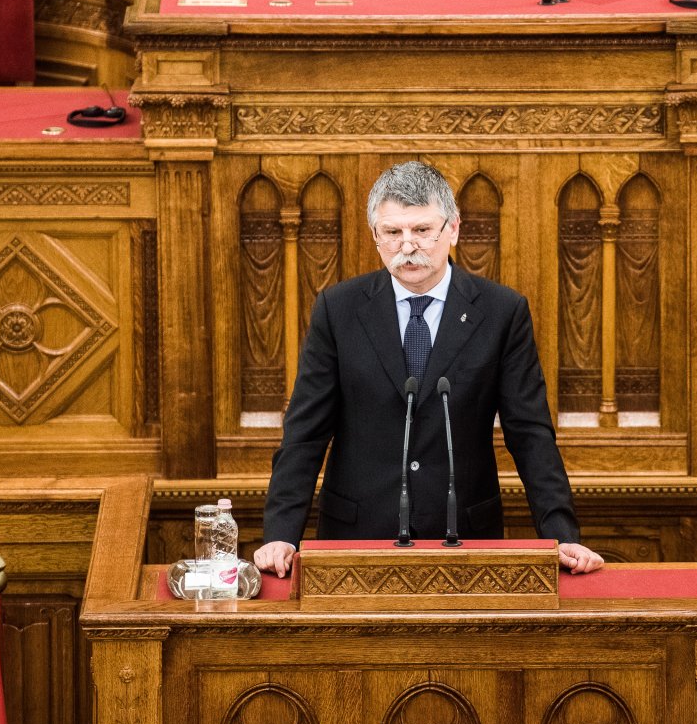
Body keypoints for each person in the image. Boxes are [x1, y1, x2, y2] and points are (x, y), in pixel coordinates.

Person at [255, 160, 604, 577]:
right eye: (393, 232)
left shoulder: (501, 312)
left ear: (452, 229)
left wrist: (562, 534)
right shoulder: (339, 309)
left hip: (464, 537)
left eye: (422, 230)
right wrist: (280, 534)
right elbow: (305, 433)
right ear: (375, 236)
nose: (407, 246)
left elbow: (529, 433)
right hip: (357, 539)